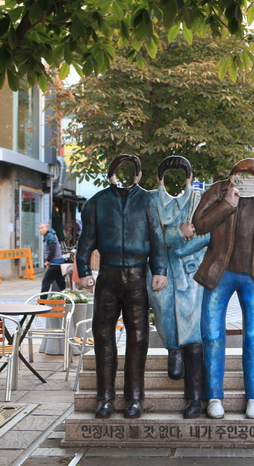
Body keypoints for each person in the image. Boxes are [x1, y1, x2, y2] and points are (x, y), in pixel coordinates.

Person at [76, 154, 168, 420]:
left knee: (138, 336)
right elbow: (86, 241)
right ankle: (104, 398)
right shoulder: (97, 203)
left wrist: (159, 270)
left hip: (138, 275)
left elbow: (157, 237)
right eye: (118, 171)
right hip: (108, 274)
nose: (125, 176)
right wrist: (83, 270)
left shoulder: (148, 201)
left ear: (138, 175)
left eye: (130, 172)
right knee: (103, 334)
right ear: (110, 174)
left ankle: (135, 398)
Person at [192, 158, 254, 420]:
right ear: (232, 177)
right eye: (241, 175)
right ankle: (213, 397)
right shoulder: (218, 193)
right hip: (219, 273)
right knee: (211, 334)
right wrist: (226, 206)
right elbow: (199, 225)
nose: (247, 181)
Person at [147, 156, 210, 419]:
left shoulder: (198, 199)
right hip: (159, 275)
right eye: (166, 177)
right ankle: (173, 351)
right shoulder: (151, 200)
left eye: (181, 176)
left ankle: (194, 398)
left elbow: (206, 235)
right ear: (160, 180)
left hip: (190, 276)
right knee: (164, 320)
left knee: (194, 336)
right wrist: (177, 233)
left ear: (188, 178)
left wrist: (176, 245)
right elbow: (149, 236)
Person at [39, 222, 65, 295]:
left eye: (42, 228)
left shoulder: (50, 236)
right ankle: (67, 296)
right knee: (60, 281)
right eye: (39, 228)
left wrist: (48, 260)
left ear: (47, 228)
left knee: (46, 281)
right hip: (57, 262)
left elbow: (52, 249)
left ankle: (42, 301)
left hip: (55, 263)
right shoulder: (49, 235)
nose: (41, 230)